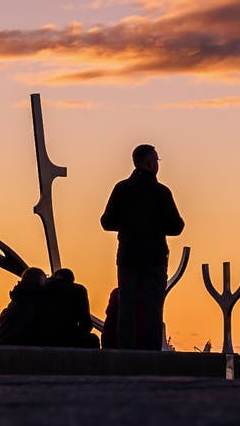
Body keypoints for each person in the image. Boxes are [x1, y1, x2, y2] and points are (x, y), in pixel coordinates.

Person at [99, 143, 184, 350]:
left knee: (127, 306)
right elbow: (177, 226)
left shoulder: (122, 189)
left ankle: (125, 351)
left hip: (128, 257)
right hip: (154, 258)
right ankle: (150, 352)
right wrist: (155, 225)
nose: (157, 164)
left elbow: (107, 222)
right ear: (149, 163)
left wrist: (128, 224)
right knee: (153, 307)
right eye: (156, 160)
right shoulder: (161, 192)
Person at [41, 268, 98, 348]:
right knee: (93, 339)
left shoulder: (42, 289)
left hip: (44, 339)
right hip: (70, 338)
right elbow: (86, 322)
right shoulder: (79, 290)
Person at [0, 267, 46, 346]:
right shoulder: (36, 299)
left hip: (1, 346)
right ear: (40, 280)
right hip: (18, 349)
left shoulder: (18, 298)